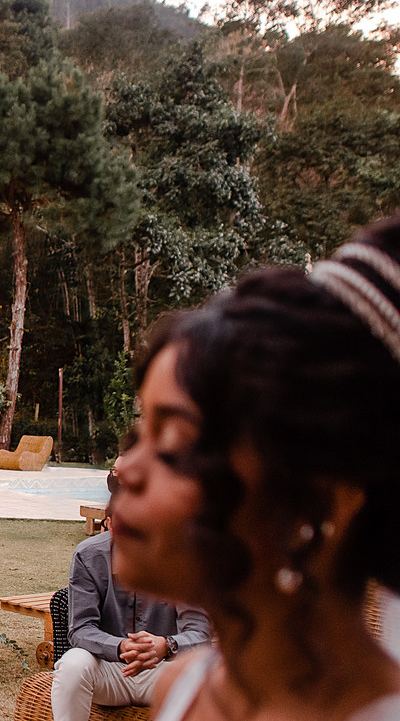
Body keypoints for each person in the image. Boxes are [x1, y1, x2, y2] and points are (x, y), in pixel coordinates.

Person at [111, 217, 400, 720]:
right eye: (140, 433)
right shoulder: (185, 691)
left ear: (322, 497)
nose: (125, 471)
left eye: (176, 441)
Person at [51, 469, 211, 720]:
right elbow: (80, 630)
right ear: (109, 526)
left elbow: (200, 633)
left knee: (203, 673)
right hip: (108, 670)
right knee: (72, 665)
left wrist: (165, 645)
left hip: (164, 670)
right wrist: (121, 645)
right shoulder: (89, 556)